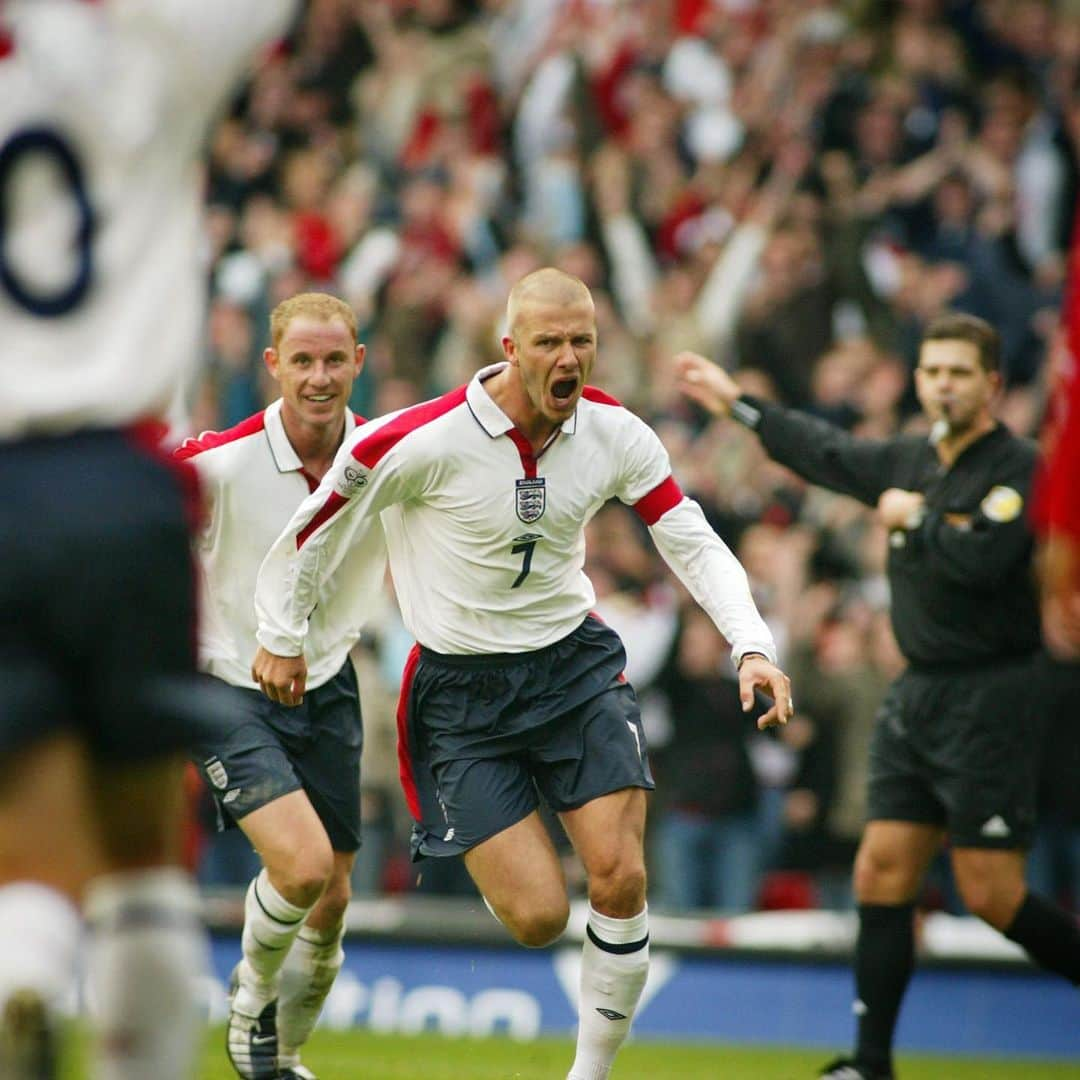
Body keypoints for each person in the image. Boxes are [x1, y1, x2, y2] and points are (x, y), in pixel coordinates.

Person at [252, 268, 793, 1080]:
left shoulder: (616, 432)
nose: (569, 357)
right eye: (549, 342)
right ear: (510, 348)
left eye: (583, 341)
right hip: (460, 697)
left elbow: (689, 537)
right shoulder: (418, 440)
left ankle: (590, 1075)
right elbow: (312, 529)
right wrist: (281, 636)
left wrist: (750, 642)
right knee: (539, 918)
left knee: (619, 876)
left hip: (573, 670)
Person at [0, 3, 298, 1079]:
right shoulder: (144, 51)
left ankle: (22, 982)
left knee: (25, 863)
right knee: (139, 857)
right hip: (121, 483)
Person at [675, 312, 1080, 1080]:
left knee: (993, 896)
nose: (943, 385)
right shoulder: (907, 456)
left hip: (992, 696)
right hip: (917, 694)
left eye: (959, 372)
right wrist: (739, 405)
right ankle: (870, 1063)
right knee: (881, 872)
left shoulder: (1020, 467)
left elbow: (984, 560)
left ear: (992, 383)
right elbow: (827, 453)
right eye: (932, 372)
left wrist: (916, 516)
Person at [176, 293, 382, 1080]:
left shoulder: (387, 454)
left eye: (335, 360)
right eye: (303, 360)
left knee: (329, 909)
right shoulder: (222, 463)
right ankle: (250, 1000)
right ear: (274, 367)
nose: (320, 377)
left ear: (359, 361)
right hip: (229, 684)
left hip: (329, 685)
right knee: (301, 869)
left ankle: (283, 1056)